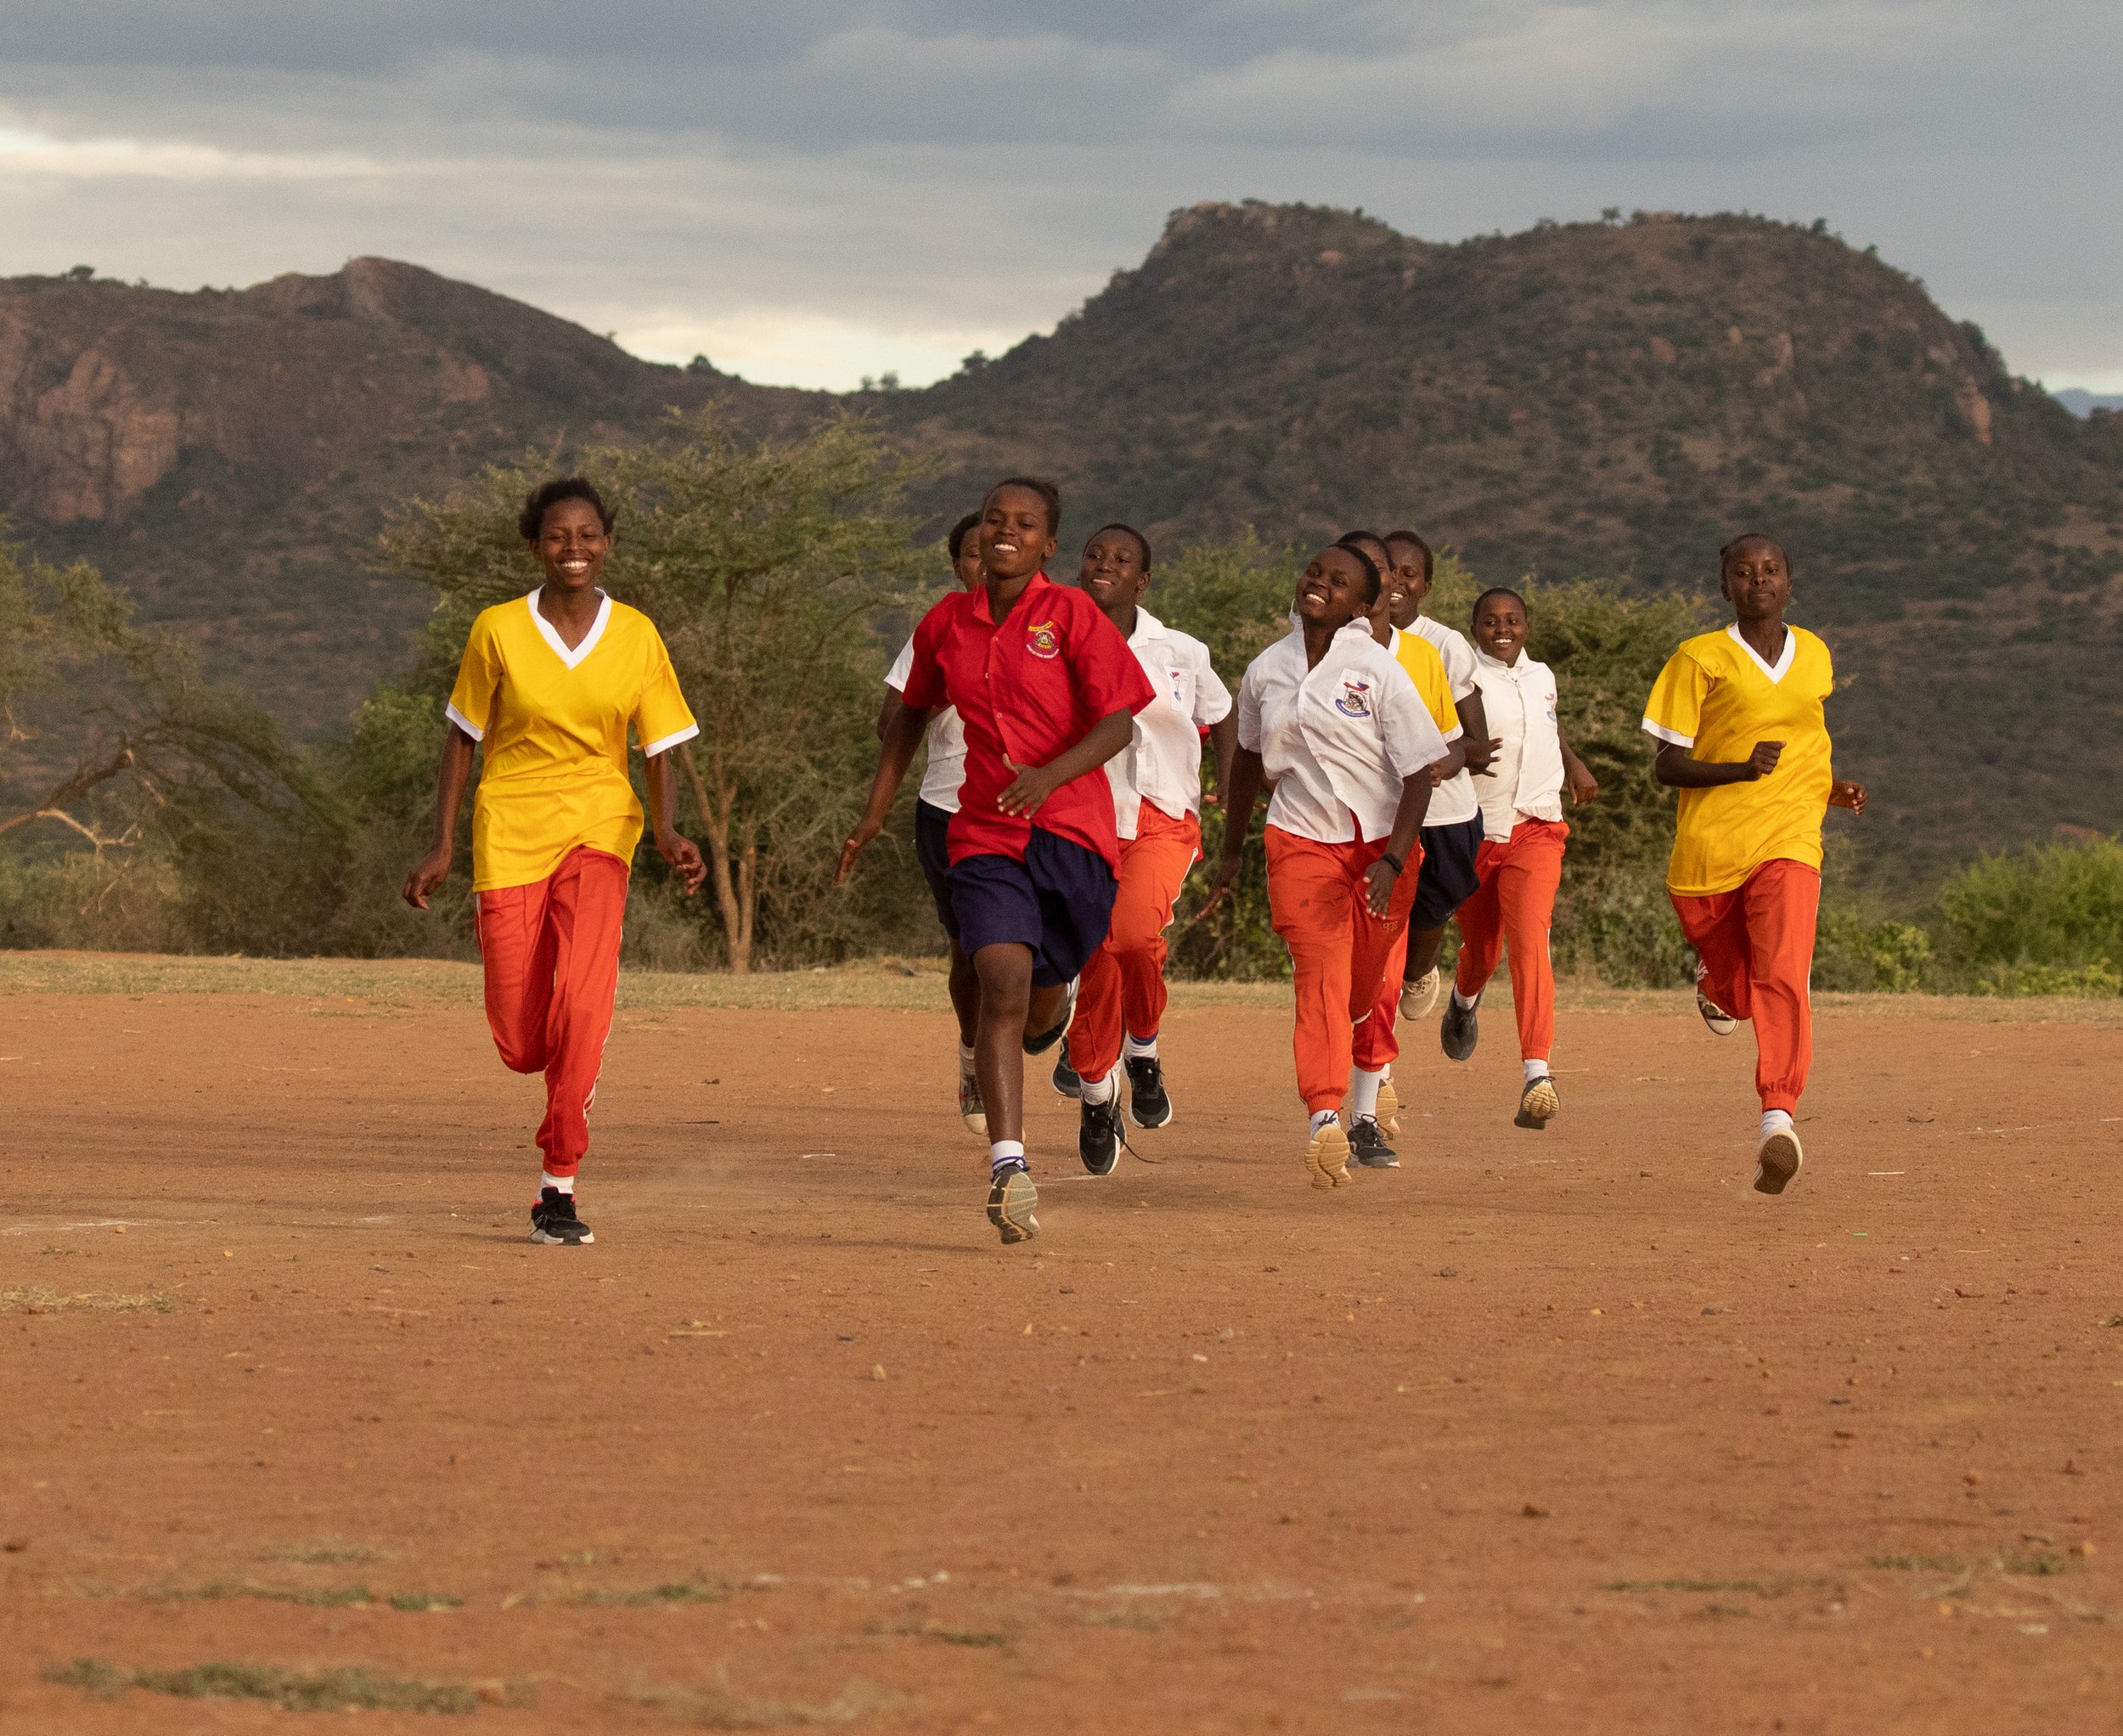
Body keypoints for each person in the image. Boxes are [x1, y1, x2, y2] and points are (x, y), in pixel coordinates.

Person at [838, 478, 1155, 1243]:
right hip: (983, 832)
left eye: (1025, 524)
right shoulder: (947, 621)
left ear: (1049, 544)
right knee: (999, 982)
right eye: (993, 520)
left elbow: (1119, 724)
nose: (1004, 533)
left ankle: (1060, 999)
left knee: (1043, 992)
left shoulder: (1073, 615)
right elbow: (910, 712)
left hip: (1073, 837)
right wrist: (875, 813)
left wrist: (1049, 775)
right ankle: (1010, 1167)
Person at [402, 476, 706, 1247]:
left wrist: (666, 831)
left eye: (589, 536)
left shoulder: (637, 634)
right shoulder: (497, 629)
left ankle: (558, 1184)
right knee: (521, 1040)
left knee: (584, 1003)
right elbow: (462, 736)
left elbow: (660, 744)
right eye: (559, 537)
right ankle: (548, 1076)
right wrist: (442, 843)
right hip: (509, 829)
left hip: (602, 828)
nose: (576, 550)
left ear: (609, 542)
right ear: (535, 545)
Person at [1202, 542, 1448, 1190]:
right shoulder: (1265, 670)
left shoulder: (1379, 671)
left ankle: (1365, 1062)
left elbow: (1421, 775)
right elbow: (1249, 761)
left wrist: (1395, 858)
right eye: (1315, 572)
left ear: (1363, 607)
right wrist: (1231, 849)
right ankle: (1324, 1115)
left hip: (1382, 852)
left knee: (1362, 992)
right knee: (1319, 977)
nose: (1319, 583)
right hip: (1300, 841)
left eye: (1339, 582)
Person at [1640, 534, 1867, 1194]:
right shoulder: (1698, 659)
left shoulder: (1815, 654)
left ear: (1790, 582)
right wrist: (1740, 770)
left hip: (1793, 838)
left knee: (1784, 972)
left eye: (1771, 571)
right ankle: (1714, 983)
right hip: (1710, 853)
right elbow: (1665, 765)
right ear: (1725, 587)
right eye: (1743, 572)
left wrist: (1829, 787)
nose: (1758, 580)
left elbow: (1805, 742)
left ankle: (1778, 1117)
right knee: (1740, 988)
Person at [1050, 524, 1236, 1172]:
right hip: (1083, 818)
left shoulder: (1182, 651)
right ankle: (1099, 1095)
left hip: (1161, 818)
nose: (1105, 565)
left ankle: (1145, 1047)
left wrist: (1223, 793)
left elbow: (1222, 715)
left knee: (1131, 939)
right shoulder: (1053, 641)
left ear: (1143, 580)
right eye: (1095, 554)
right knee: (1097, 950)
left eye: (1122, 559)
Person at [1440, 587, 1599, 1129]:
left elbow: (1545, 729)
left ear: (1527, 626)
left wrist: (1574, 764)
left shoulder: (1543, 676)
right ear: (1475, 627)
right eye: (1490, 621)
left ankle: (1537, 1071)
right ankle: (1463, 1001)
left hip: (1537, 826)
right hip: (1478, 829)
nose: (1501, 629)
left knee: (1531, 941)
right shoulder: (1464, 677)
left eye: (1512, 620)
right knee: (1483, 951)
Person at [1333, 530, 1467, 1169]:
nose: (1386, 580)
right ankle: (1325, 1109)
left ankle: (1362, 1112)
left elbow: (1444, 745)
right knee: (1329, 980)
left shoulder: (1421, 658)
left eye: (1391, 569)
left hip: (1395, 842)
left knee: (1381, 980)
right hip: (1321, 841)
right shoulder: (1305, 656)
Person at [881, 510, 987, 1133]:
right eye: (971, 553)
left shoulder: (1052, 626)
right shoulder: (940, 627)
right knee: (969, 954)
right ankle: (974, 1060)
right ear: (957, 566)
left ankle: (1053, 996)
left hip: (1030, 809)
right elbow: (887, 721)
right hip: (947, 809)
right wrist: (942, 688)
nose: (985, 561)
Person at [1381, 529, 1493, 1019]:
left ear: (1425, 586)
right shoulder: (1348, 639)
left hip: (1445, 811)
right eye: (1390, 571)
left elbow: (1478, 743)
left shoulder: (1443, 645)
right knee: (1379, 924)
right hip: (1381, 810)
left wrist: (1444, 761)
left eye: (1410, 574)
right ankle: (1374, 1066)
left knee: (1430, 912)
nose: (1398, 583)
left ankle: (1419, 970)